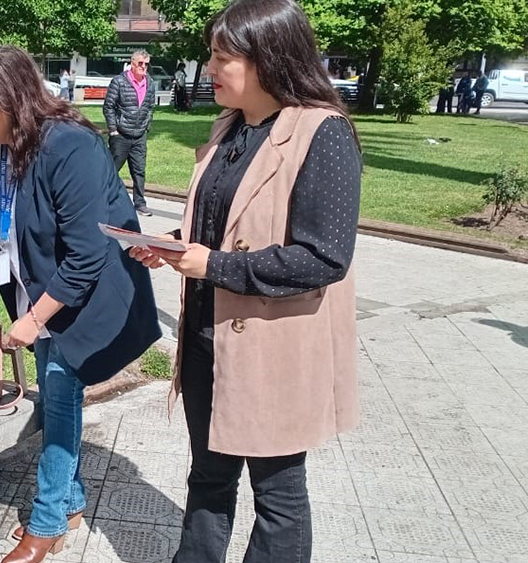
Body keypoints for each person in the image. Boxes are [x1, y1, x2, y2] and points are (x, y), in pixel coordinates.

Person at [0, 45, 161, 563]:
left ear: (9, 101)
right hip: (42, 293)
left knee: (60, 395)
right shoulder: (2, 148)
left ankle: (45, 525)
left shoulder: (70, 147)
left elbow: (88, 254)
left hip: (86, 296)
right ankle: (71, 501)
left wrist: (33, 319)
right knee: (54, 392)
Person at [130, 1, 362, 561]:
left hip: (272, 348)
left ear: (267, 58)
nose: (209, 68)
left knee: (277, 495)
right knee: (208, 475)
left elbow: (324, 258)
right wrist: (173, 245)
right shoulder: (230, 126)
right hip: (206, 340)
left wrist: (213, 266)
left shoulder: (322, 132)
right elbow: (225, 224)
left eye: (222, 57)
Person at [103, 49, 157, 217]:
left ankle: (140, 204)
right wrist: (113, 129)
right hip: (121, 135)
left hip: (139, 135)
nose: (143, 67)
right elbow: (108, 106)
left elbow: (150, 107)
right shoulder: (119, 81)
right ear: (132, 63)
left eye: (146, 64)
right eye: (140, 63)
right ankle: (102, 199)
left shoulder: (150, 83)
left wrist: (146, 126)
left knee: (139, 171)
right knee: (111, 169)